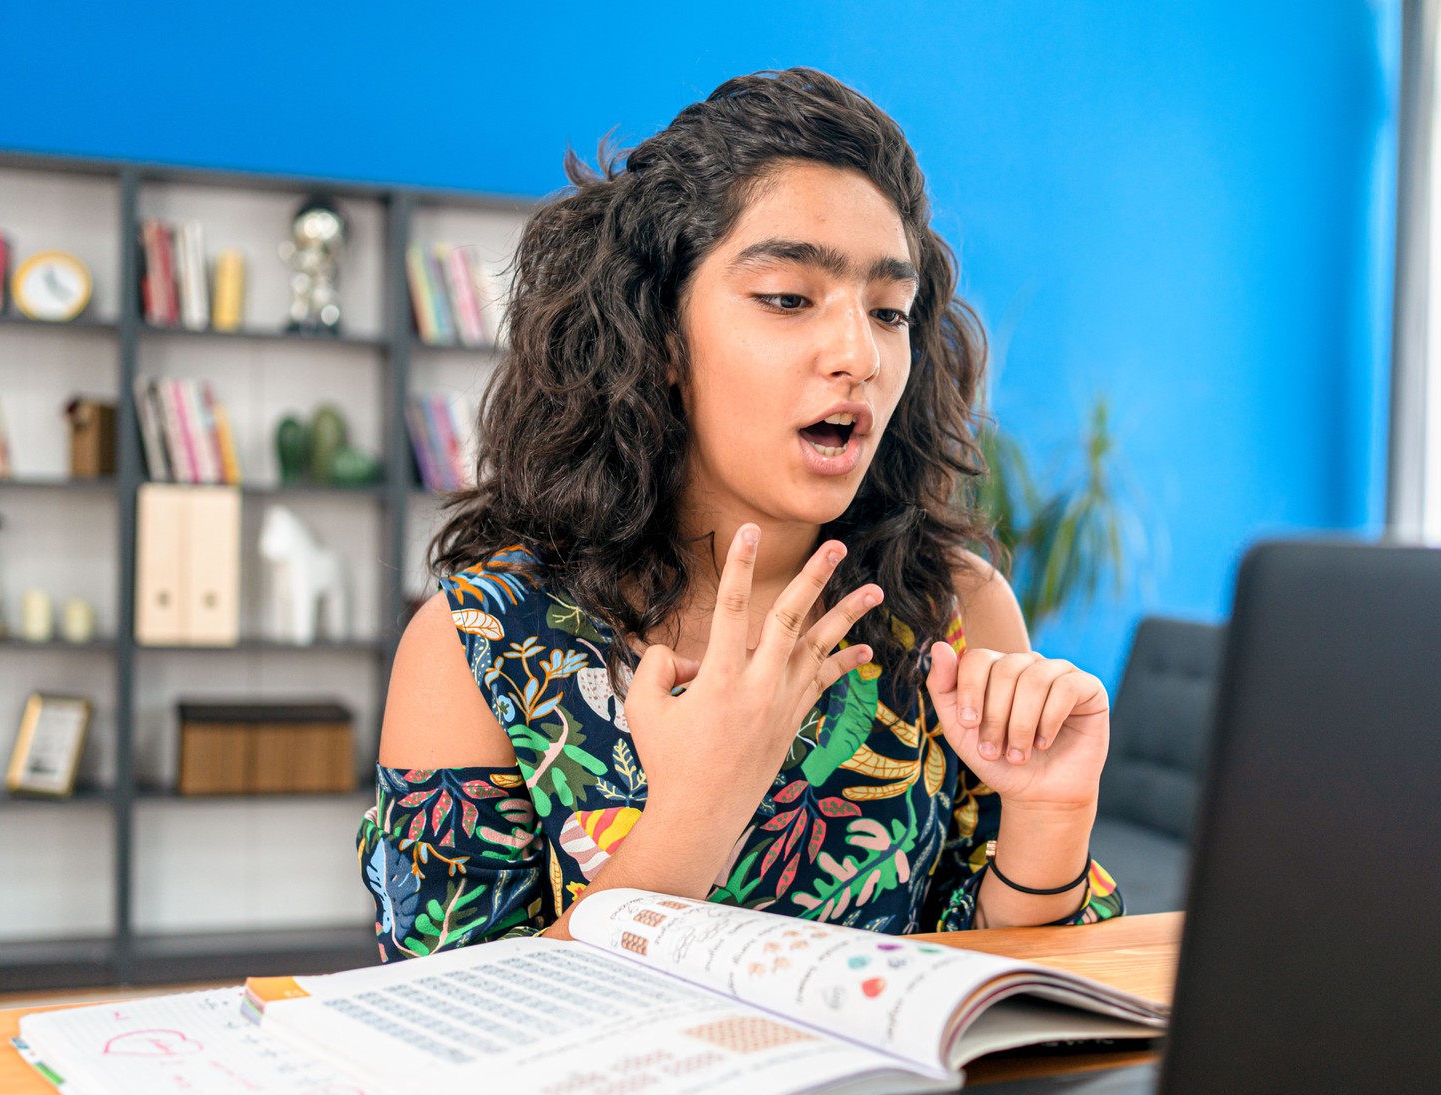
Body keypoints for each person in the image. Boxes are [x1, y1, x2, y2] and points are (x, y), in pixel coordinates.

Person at [361, 67, 1123, 959]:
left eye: (888, 311)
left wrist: (1049, 815)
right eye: (789, 299)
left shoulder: (954, 608)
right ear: (661, 336)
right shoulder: (476, 644)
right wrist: (697, 812)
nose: (858, 355)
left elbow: (1003, 987)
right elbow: (443, 1027)